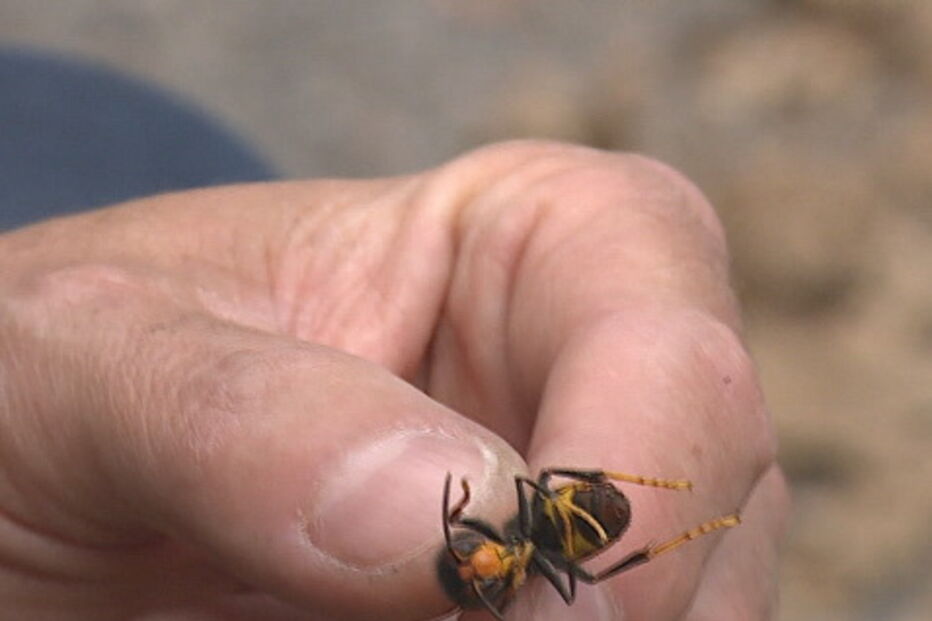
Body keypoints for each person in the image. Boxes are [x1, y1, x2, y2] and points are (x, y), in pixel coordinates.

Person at [0, 51, 788, 621]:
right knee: (144, 142)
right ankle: (690, 521)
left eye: (470, 553)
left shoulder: (511, 513)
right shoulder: (508, 562)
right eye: (476, 564)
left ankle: (674, 508)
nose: (478, 556)